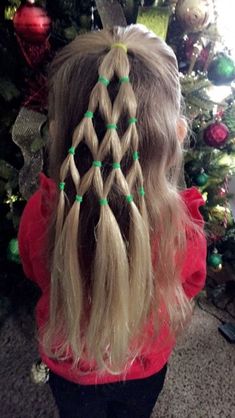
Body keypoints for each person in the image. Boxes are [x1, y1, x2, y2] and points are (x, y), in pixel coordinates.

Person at [18, 24, 207, 418]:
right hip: (144, 366)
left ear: (56, 134)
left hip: (70, 369)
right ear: (177, 137)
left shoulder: (41, 213)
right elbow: (190, 284)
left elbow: (35, 271)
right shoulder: (183, 231)